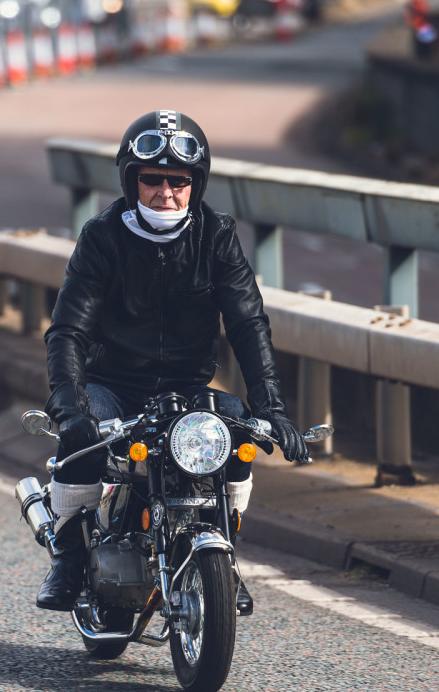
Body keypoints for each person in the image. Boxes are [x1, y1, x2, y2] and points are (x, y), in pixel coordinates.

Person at [38, 110, 309, 614]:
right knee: (82, 436)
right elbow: (68, 331)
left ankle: (223, 563)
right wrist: (70, 405)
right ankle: (70, 558)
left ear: (196, 185)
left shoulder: (217, 236)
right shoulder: (102, 238)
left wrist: (271, 408)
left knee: (239, 437)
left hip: (187, 387)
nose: (166, 192)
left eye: (179, 181)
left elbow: (249, 324)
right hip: (111, 382)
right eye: (153, 179)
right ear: (131, 181)